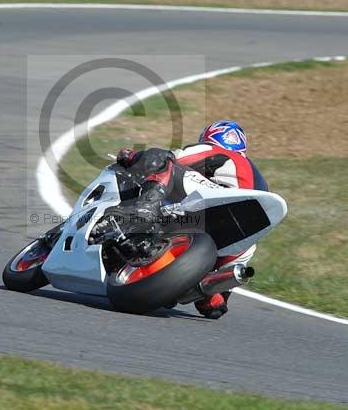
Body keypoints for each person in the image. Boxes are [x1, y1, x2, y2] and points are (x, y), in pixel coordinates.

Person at [114, 120, 268, 320]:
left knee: (162, 157)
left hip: (211, 202)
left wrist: (133, 157)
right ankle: (207, 291)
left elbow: (177, 158)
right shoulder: (256, 177)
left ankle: (146, 206)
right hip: (241, 238)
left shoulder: (215, 151)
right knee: (215, 305)